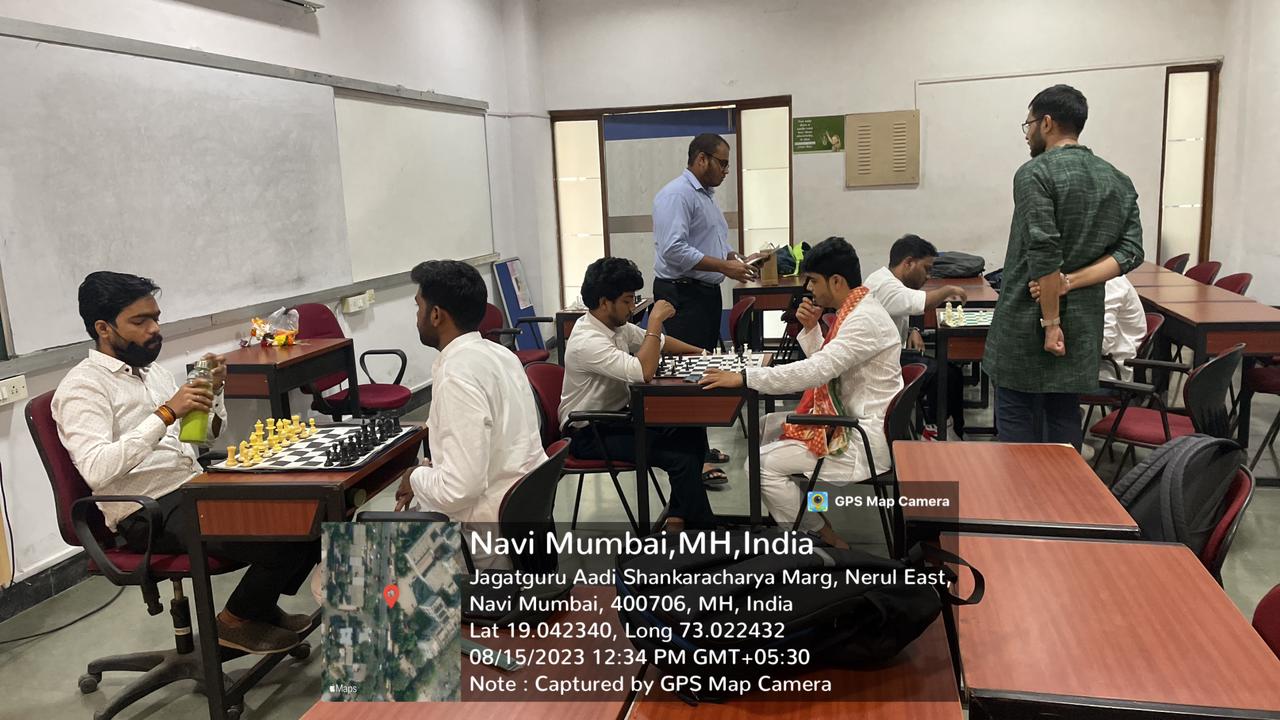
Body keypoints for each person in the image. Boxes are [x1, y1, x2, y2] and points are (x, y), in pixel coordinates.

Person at [53, 271, 317, 654]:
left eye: (156, 317)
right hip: (147, 512)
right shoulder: (82, 387)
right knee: (280, 532)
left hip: (192, 487)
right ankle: (235, 621)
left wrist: (215, 392)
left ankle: (255, 608)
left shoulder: (154, 373)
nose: (155, 329)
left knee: (309, 511)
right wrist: (165, 413)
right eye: (140, 321)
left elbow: (200, 439)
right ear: (103, 328)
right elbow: (96, 468)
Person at [700, 238, 902, 547]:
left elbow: (817, 371)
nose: (809, 288)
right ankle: (803, 514)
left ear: (836, 281)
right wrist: (811, 329)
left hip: (859, 436)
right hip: (849, 419)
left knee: (758, 465)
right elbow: (831, 365)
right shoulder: (857, 309)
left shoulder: (863, 320)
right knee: (765, 427)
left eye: (814, 281)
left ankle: (821, 534)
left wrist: (744, 377)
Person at [983, 84, 1144, 448]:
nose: (1027, 135)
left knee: (1017, 427)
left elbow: (1044, 249)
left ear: (1047, 123)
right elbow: (1131, 251)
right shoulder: (1118, 181)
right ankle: (1065, 487)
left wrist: (1051, 323)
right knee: (1063, 423)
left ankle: (1018, 490)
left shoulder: (1035, 173)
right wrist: (1070, 281)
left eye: (1028, 125)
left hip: (1027, 324)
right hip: (1083, 326)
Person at [394, 260, 547, 568]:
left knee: (337, 573)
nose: (417, 318)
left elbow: (459, 489)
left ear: (436, 315)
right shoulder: (501, 354)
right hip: (519, 518)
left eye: (418, 307)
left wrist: (415, 477)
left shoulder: (457, 374)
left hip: (475, 540)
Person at [560, 257, 719, 531]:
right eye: (627, 301)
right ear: (604, 302)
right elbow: (643, 371)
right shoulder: (588, 341)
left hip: (620, 417)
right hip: (590, 431)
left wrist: (702, 353)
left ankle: (679, 517)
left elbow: (659, 342)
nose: (633, 307)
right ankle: (706, 531)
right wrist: (655, 320)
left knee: (691, 428)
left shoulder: (615, 326)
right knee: (680, 458)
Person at [652, 132, 761, 467]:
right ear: (701, 159)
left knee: (701, 371)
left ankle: (698, 449)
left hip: (703, 294)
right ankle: (688, 458)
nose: (726, 171)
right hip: (682, 294)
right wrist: (724, 267)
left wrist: (734, 258)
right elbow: (674, 250)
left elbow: (710, 242)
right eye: (722, 163)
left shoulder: (706, 196)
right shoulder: (677, 195)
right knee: (685, 376)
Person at [863, 234, 968, 437]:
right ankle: (937, 430)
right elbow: (920, 302)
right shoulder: (885, 285)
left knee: (951, 372)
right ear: (909, 263)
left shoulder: (886, 280)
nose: (928, 276)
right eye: (926, 269)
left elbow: (900, 307)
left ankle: (948, 429)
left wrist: (913, 330)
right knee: (945, 375)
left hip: (887, 355)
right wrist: (947, 290)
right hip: (877, 365)